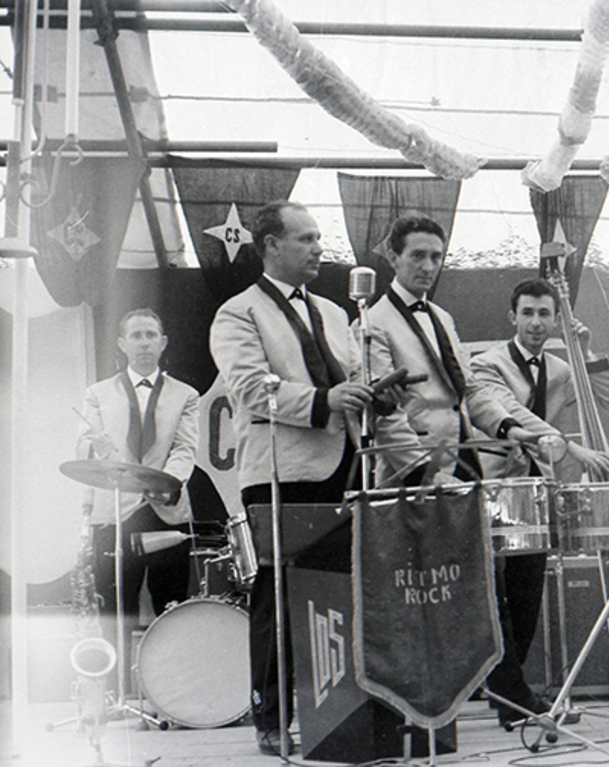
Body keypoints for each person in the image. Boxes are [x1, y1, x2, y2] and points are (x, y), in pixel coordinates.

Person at [210, 200, 378, 756]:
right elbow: (252, 389)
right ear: (270, 245)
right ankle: (272, 715)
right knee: (277, 596)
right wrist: (329, 400)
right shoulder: (237, 313)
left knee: (338, 592)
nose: (318, 248)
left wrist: (378, 391)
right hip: (281, 471)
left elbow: (352, 378)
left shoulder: (334, 312)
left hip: (344, 465)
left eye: (319, 238)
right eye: (305, 238)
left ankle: (336, 710)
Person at [468, 277, 609, 726]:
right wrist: (570, 449)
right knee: (496, 597)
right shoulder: (487, 364)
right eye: (528, 313)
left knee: (526, 593)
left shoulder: (561, 367)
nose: (536, 323)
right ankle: (513, 696)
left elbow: (607, 400)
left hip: (538, 494)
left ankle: (508, 697)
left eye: (545, 314)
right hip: (495, 490)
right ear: (512, 316)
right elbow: (514, 416)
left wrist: (585, 351)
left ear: (556, 320)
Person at [365, 214, 535, 488]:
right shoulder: (372, 323)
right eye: (418, 256)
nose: (428, 267)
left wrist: (507, 427)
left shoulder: (443, 317)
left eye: (436, 257)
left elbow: (469, 389)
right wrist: (426, 473)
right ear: (394, 258)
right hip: (413, 476)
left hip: (464, 464)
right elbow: (383, 416)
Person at [76, 308, 199, 677]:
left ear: (163, 343)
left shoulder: (186, 395)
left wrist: (164, 484)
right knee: (115, 608)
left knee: (172, 606)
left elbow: (185, 449)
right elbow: (83, 449)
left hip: (165, 509)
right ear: (121, 344)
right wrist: (96, 446)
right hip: (114, 511)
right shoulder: (96, 394)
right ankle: (113, 691)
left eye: (150, 335)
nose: (143, 343)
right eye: (136, 335)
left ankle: (173, 688)